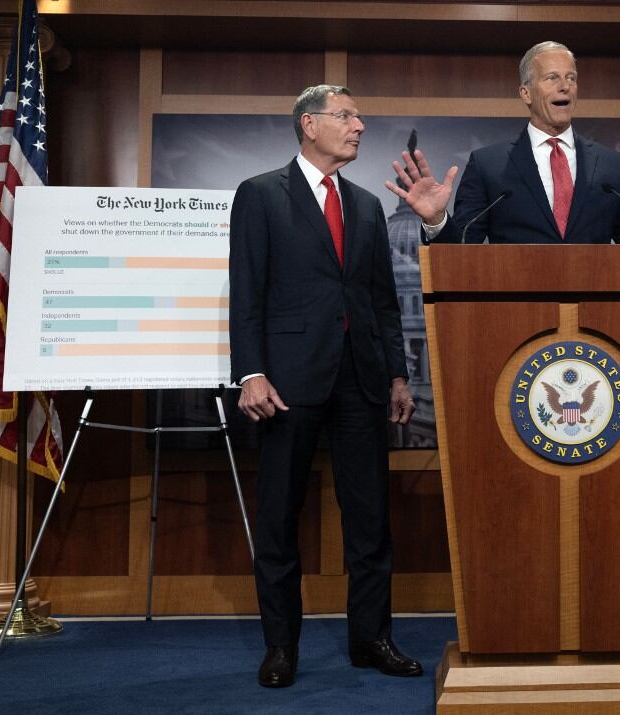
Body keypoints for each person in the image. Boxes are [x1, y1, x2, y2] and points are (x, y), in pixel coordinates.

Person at [229, 84, 422, 688]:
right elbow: (246, 291)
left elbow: (382, 302)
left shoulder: (365, 205)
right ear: (309, 124)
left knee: (369, 521)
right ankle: (281, 647)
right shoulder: (260, 194)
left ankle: (371, 640)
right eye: (346, 116)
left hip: (361, 381)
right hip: (287, 382)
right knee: (280, 519)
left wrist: (396, 372)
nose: (360, 125)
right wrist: (251, 371)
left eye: (360, 115)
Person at [386, 41, 620, 244]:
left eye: (571, 78)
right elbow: (462, 251)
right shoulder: (488, 165)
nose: (565, 86)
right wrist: (436, 220)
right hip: (519, 317)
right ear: (526, 93)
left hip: (596, 316)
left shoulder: (611, 166)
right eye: (552, 78)